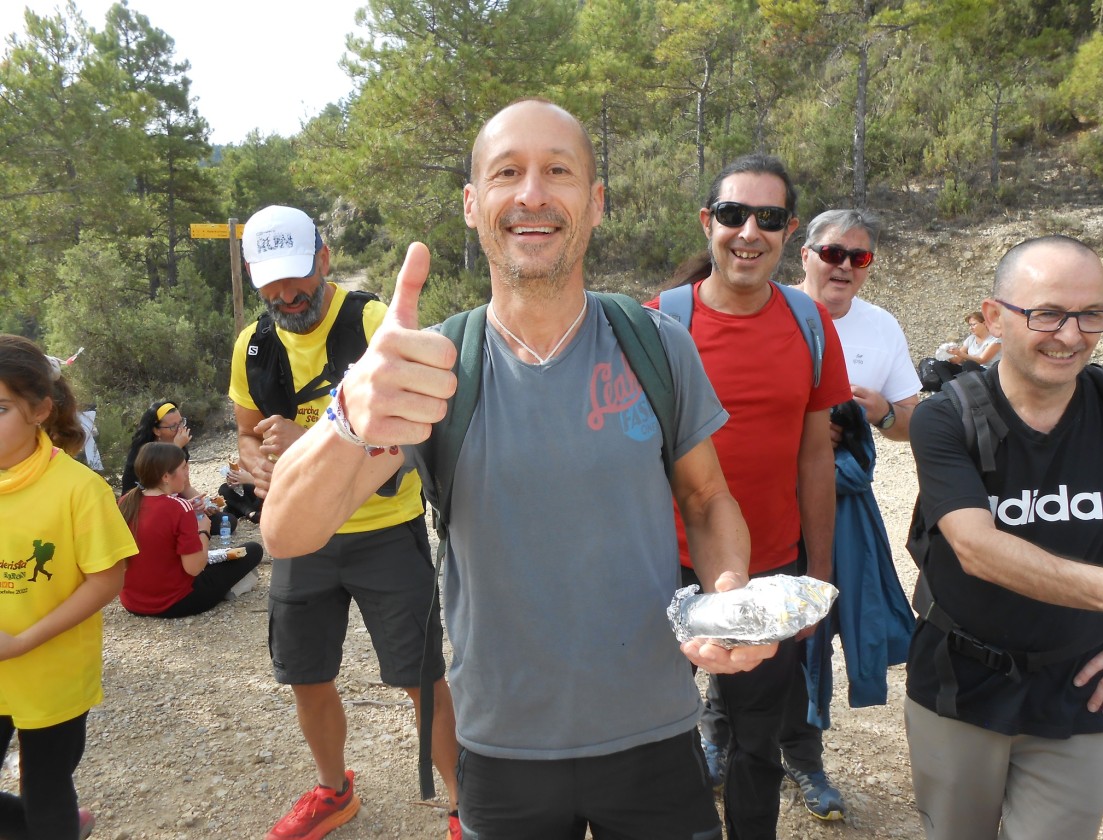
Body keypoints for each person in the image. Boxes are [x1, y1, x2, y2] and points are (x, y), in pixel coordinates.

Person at [261, 98, 777, 840]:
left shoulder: (656, 346)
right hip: (499, 749)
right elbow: (285, 532)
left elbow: (706, 498)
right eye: (508, 173)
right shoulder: (433, 368)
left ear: (594, 203)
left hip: (657, 731)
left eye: (557, 172)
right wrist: (347, 416)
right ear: (474, 205)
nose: (532, 193)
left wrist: (727, 594)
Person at [228, 204, 460, 840]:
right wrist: (259, 464)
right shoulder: (252, 344)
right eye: (271, 281)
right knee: (306, 675)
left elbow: (409, 427)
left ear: (323, 259)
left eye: (297, 275)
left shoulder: (370, 322)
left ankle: (469, 807)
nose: (286, 294)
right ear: (254, 277)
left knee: (421, 678)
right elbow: (246, 436)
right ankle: (334, 790)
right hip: (303, 540)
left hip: (385, 529)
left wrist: (303, 442)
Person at [651, 155, 851, 839]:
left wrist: (817, 574)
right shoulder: (659, 326)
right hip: (668, 571)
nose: (748, 232)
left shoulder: (809, 324)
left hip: (770, 572)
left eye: (768, 218)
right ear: (708, 222)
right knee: (664, 743)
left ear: (789, 231)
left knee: (756, 745)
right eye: (733, 214)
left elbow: (815, 454)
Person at [906, 235, 1103, 840]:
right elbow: (977, 547)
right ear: (995, 315)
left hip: (1085, 693)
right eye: (1048, 313)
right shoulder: (945, 417)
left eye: (1092, 314)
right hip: (960, 683)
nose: (1072, 335)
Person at [785, 209, 920, 820]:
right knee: (749, 614)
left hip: (841, 505)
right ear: (805, 254)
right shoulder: (770, 308)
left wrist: (883, 412)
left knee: (812, 623)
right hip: (765, 495)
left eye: (858, 258)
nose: (842, 266)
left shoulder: (882, 327)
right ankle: (719, 737)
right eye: (832, 252)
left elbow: (915, 422)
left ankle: (804, 757)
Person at [0, 334, 137, 840]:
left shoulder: (79, 490)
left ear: (40, 410)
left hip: (52, 677)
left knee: (47, 791)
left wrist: (20, 643)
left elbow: (108, 579)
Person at [117, 442, 262, 617]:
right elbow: (194, 568)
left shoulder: (126, 501)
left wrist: (189, 514)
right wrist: (204, 531)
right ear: (165, 476)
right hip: (175, 602)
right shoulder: (180, 507)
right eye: (183, 468)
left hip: (133, 601)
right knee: (253, 550)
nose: (187, 473)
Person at [120, 400, 235, 535]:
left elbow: (186, 487)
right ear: (156, 430)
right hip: (148, 510)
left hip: (175, 502)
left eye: (181, 423)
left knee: (226, 521)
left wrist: (205, 503)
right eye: (173, 426)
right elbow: (155, 488)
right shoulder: (145, 453)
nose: (180, 429)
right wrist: (176, 448)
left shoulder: (181, 448)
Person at [920, 311, 1003, 392]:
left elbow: (982, 360)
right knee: (940, 364)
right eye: (970, 325)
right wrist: (948, 354)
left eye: (973, 324)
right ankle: (951, 389)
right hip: (972, 371)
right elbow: (957, 360)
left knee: (969, 364)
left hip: (988, 372)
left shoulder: (995, 340)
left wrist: (959, 353)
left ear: (984, 324)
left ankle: (969, 390)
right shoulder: (971, 339)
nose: (971, 328)